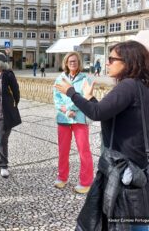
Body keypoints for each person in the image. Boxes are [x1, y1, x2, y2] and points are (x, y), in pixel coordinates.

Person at [54, 41, 149, 230]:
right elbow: (107, 112)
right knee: (137, 215)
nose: (107, 63)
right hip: (137, 163)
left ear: (128, 62)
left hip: (124, 165)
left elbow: (96, 113)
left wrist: (72, 93)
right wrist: (90, 98)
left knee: (120, 217)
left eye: (112, 59)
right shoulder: (140, 86)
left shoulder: (128, 86)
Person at [53, 51, 94, 194]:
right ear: (66, 63)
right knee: (63, 150)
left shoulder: (85, 79)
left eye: (75, 61)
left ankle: (86, 181)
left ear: (79, 63)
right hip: (63, 118)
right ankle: (62, 177)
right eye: (70, 61)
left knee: (84, 150)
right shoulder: (60, 79)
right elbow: (56, 99)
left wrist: (71, 108)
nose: (73, 63)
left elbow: (84, 98)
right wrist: (65, 111)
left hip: (80, 118)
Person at [0, 52, 22, 178]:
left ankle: (3, 165)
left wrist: (12, 106)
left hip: (4, 113)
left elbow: (16, 93)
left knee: (1, 139)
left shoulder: (8, 75)